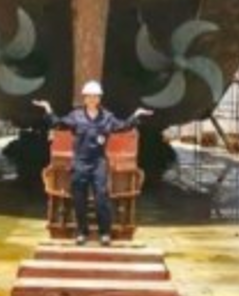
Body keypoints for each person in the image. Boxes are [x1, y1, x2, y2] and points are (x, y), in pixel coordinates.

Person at [33, 82, 152, 245]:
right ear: (85, 98)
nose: (92, 99)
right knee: (79, 198)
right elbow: (58, 124)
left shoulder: (107, 117)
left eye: (95, 96)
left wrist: (136, 115)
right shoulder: (76, 116)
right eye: (89, 96)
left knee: (102, 197)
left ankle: (105, 233)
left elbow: (122, 126)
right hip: (80, 162)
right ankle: (82, 232)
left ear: (99, 98)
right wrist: (48, 108)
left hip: (98, 162)